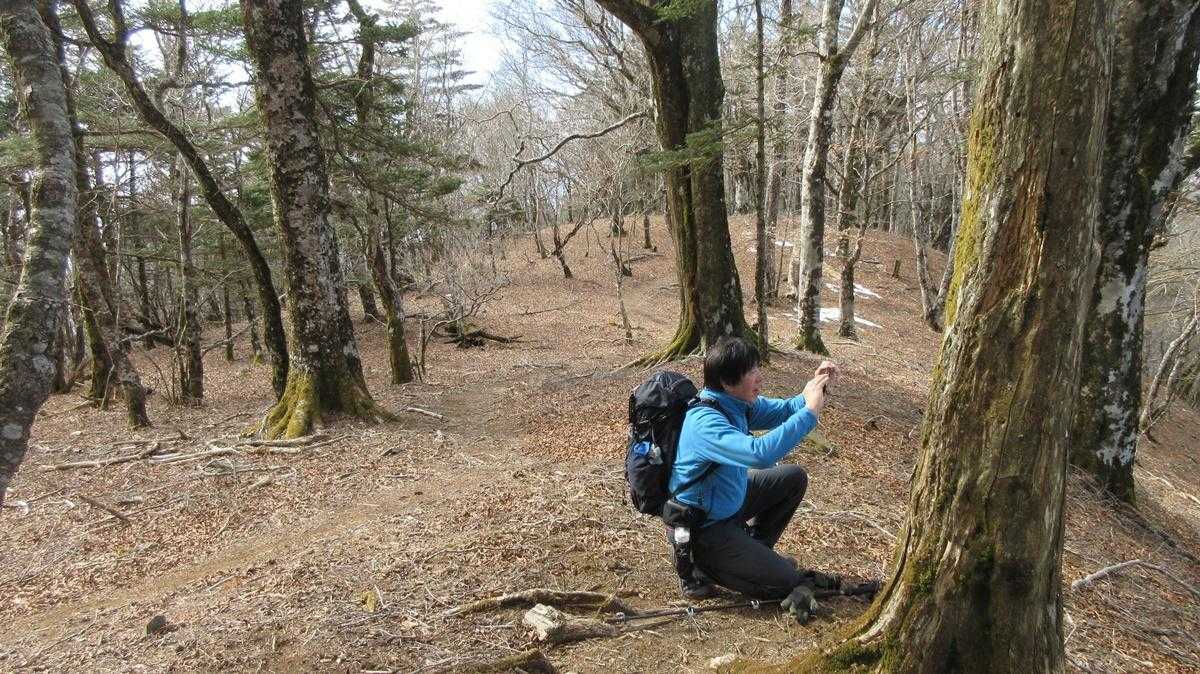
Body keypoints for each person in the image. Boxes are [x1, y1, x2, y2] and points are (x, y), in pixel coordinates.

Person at [667, 336, 836, 601]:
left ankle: (754, 552)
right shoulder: (705, 421)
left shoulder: (736, 403)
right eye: (750, 372)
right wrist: (810, 413)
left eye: (757, 367)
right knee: (789, 582)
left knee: (792, 478)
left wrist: (815, 388)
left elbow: (785, 409)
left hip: (728, 504)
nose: (759, 377)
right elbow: (759, 454)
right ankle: (701, 566)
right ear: (726, 382)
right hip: (705, 527)